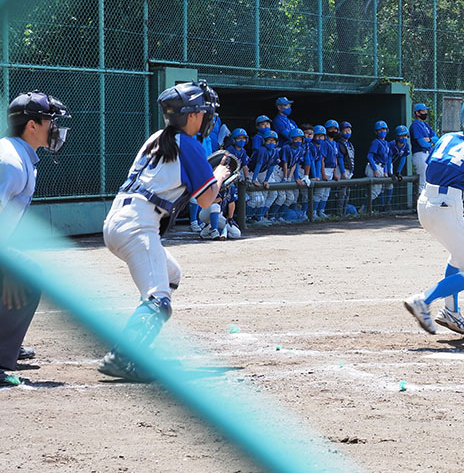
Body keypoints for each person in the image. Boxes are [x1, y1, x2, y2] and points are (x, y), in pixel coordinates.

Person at [98, 81, 230, 382]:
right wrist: (219, 176)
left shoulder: (158, 137)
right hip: (138, 225)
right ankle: (124, 356)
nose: (207, 117)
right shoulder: (188, 143)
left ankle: (138, 344)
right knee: (159, 298)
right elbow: (207, 199)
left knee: (171, 274)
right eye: (204, 111)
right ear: (192, 115)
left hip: (121, 219)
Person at [403, 91, 464, 336]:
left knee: (457, 258)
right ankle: (423, 300)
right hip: (446, 208)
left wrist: (462, 201)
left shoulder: (448, 138)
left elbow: (445, 171)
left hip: (426, 203)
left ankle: (451, 312)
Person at [0, 91, 71, 385]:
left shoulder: (19, 155)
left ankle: (6, 349)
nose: (55, 128)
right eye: (49, 121)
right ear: (32, 126)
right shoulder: (11, 162)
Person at [248, 130, 280, 224]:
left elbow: (271, 167)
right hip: (251, 172)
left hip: (262, 172)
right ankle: (247, 217)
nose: (271, 143)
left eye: (273, 141)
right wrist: (254, 179)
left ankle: (259, 216)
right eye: (269, 140)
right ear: (264, 141)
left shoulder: (275, 151)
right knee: (258, 197)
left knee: (273, 194)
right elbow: (258, 164)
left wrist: (266, 180)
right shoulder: (262, 150)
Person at [278, 127, 308, 221]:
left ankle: (279, 216)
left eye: (300, 139)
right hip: (279, 171)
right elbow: (285, 163)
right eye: (296, 139)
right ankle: (271, 216)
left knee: (290, 198)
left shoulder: (301, 150)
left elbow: (295, 164)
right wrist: (285, 177)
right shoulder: (286, 148)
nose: (298, 141)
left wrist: (292, 177)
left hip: (289, 171)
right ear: (291, 139)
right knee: (279, 196)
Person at [409, 102, 438, 194]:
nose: (425, 112)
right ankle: (419, 205)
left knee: (428, 180)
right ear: (417, 113)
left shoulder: (425, 125)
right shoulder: (415, 125)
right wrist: (431, 143)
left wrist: (429, 139)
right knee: (422, 181)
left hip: (427, 154)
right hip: (419, 155)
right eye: (423, 111)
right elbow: (422, 143)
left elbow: (436, 139)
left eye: (426, 110)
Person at [314, 124, 339, 218]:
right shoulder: (324, 143)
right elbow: (322, 160)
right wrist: (323, 174)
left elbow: (335, 160)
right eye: (331, 129)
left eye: (335, 129)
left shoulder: (335, 143)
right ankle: (313, 212)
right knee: (319, 193)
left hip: (331, 170)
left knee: (326, 194)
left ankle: (321, 211)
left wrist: (335, 173)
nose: (333, 131)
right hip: (324, 169)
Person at [366, 120, 392, 211]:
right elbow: (369, 156)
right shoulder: (376, 142)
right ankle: (364, 210)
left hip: (381, 167)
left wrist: (385, 172)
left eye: (384, 129)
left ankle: (367, 209)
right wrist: (375, 169)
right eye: (380, 130)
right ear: (376, 132)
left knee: (378, 191)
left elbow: (386, 159)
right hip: (374, 166)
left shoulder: (387, 143)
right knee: (374, 191)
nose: (382, 131)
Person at [384, 125, 410, 208]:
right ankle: (379, 206)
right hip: (384, 164)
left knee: (390, 185)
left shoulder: (406, 145)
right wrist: (389, 172)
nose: (404, 138)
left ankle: (387, 204)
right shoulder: (391, 144)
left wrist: (398, 172)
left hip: (390, 164)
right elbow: (388, 159)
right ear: (397, 136)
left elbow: (403, 159)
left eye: (405, 136)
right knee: (380, 187)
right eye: (401, 136)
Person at [335, 121, 355, 216]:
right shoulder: (339, 143)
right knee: (341, 193)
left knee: (347, 192)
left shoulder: (350, 144)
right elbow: (340, 158)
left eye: (349, 130)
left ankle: (344, 211)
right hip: (342, 170)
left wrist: (351, 171)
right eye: (345, 130)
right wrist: (342, 172)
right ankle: (339, 213)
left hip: (349, 170)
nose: (348, 132)